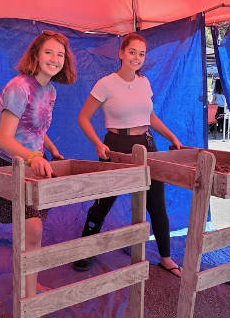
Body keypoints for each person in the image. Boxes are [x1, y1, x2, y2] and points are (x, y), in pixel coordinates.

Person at [73, 33, 183, 278]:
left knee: (157, 205)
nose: (137, 58)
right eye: (132, 52)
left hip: (145, 146)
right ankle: (85, 251)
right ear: (121, 53)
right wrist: (98, 146)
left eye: (141, 54)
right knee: (103, 203)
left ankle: (166, 258)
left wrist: (172, 138)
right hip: (115, 146)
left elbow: (150, 118)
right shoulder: (105, 83)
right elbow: (83, 118)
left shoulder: (144, 83)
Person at [0, 30, 76, 297]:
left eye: (60, 54)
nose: (55, 58)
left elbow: (34, 127)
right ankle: (27, 294)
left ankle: (27, 283)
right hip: (9, 163)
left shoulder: (50, 91)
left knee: (32, 232)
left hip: (35, 161)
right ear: (35, 55)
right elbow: (5, 138)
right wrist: (34, 157)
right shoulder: (18, 88)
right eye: (49, 52)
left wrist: (51, 149)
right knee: (32, 229)